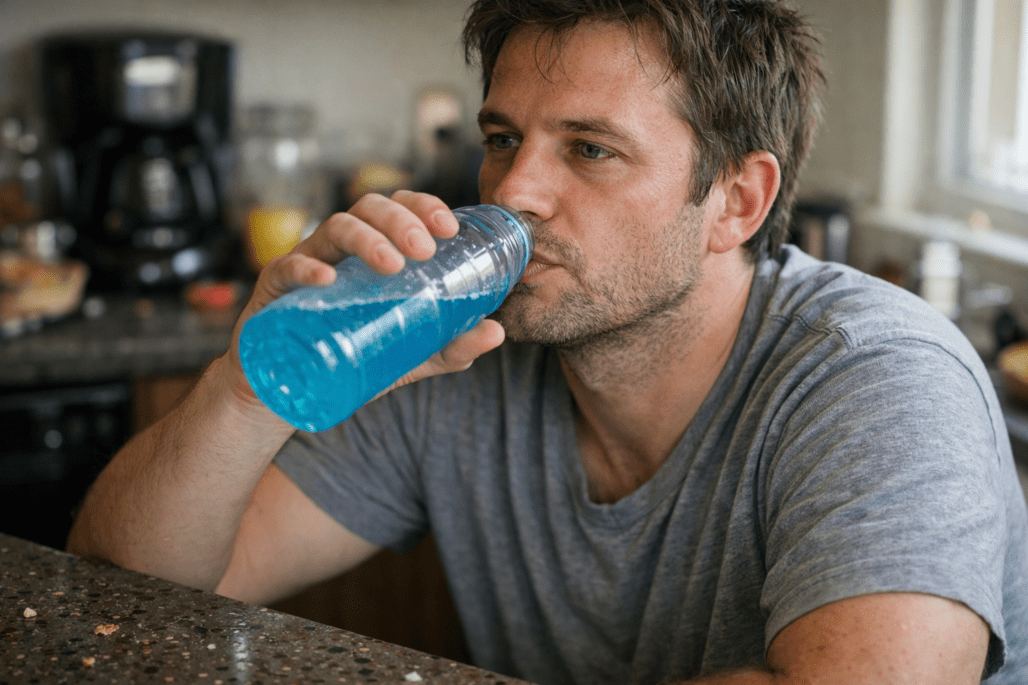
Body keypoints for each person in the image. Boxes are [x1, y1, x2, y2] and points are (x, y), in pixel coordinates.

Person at [67, 0, 1028, 683]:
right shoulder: (458, 353)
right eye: (501, 137)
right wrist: (245, 385)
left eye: (589, 148)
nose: (512, 190)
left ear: (736, 200)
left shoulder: (878, 376)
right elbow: (128, 595)